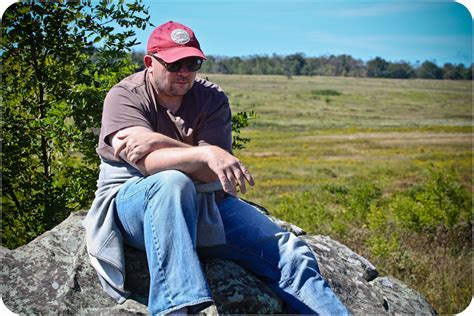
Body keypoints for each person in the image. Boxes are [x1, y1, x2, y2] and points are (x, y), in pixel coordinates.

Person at [83, 20, 350, 315]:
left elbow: (214, 172)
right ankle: (177, 308)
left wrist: (176, 146)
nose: (185, 72)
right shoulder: (125, 96)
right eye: (174, 64)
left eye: (192, 62)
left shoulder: (211, 98)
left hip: (205, 203)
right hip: (135, 206)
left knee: (289, 253)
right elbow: (149, 165)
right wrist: (204, 154)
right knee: (171, 182)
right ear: (150, 62)